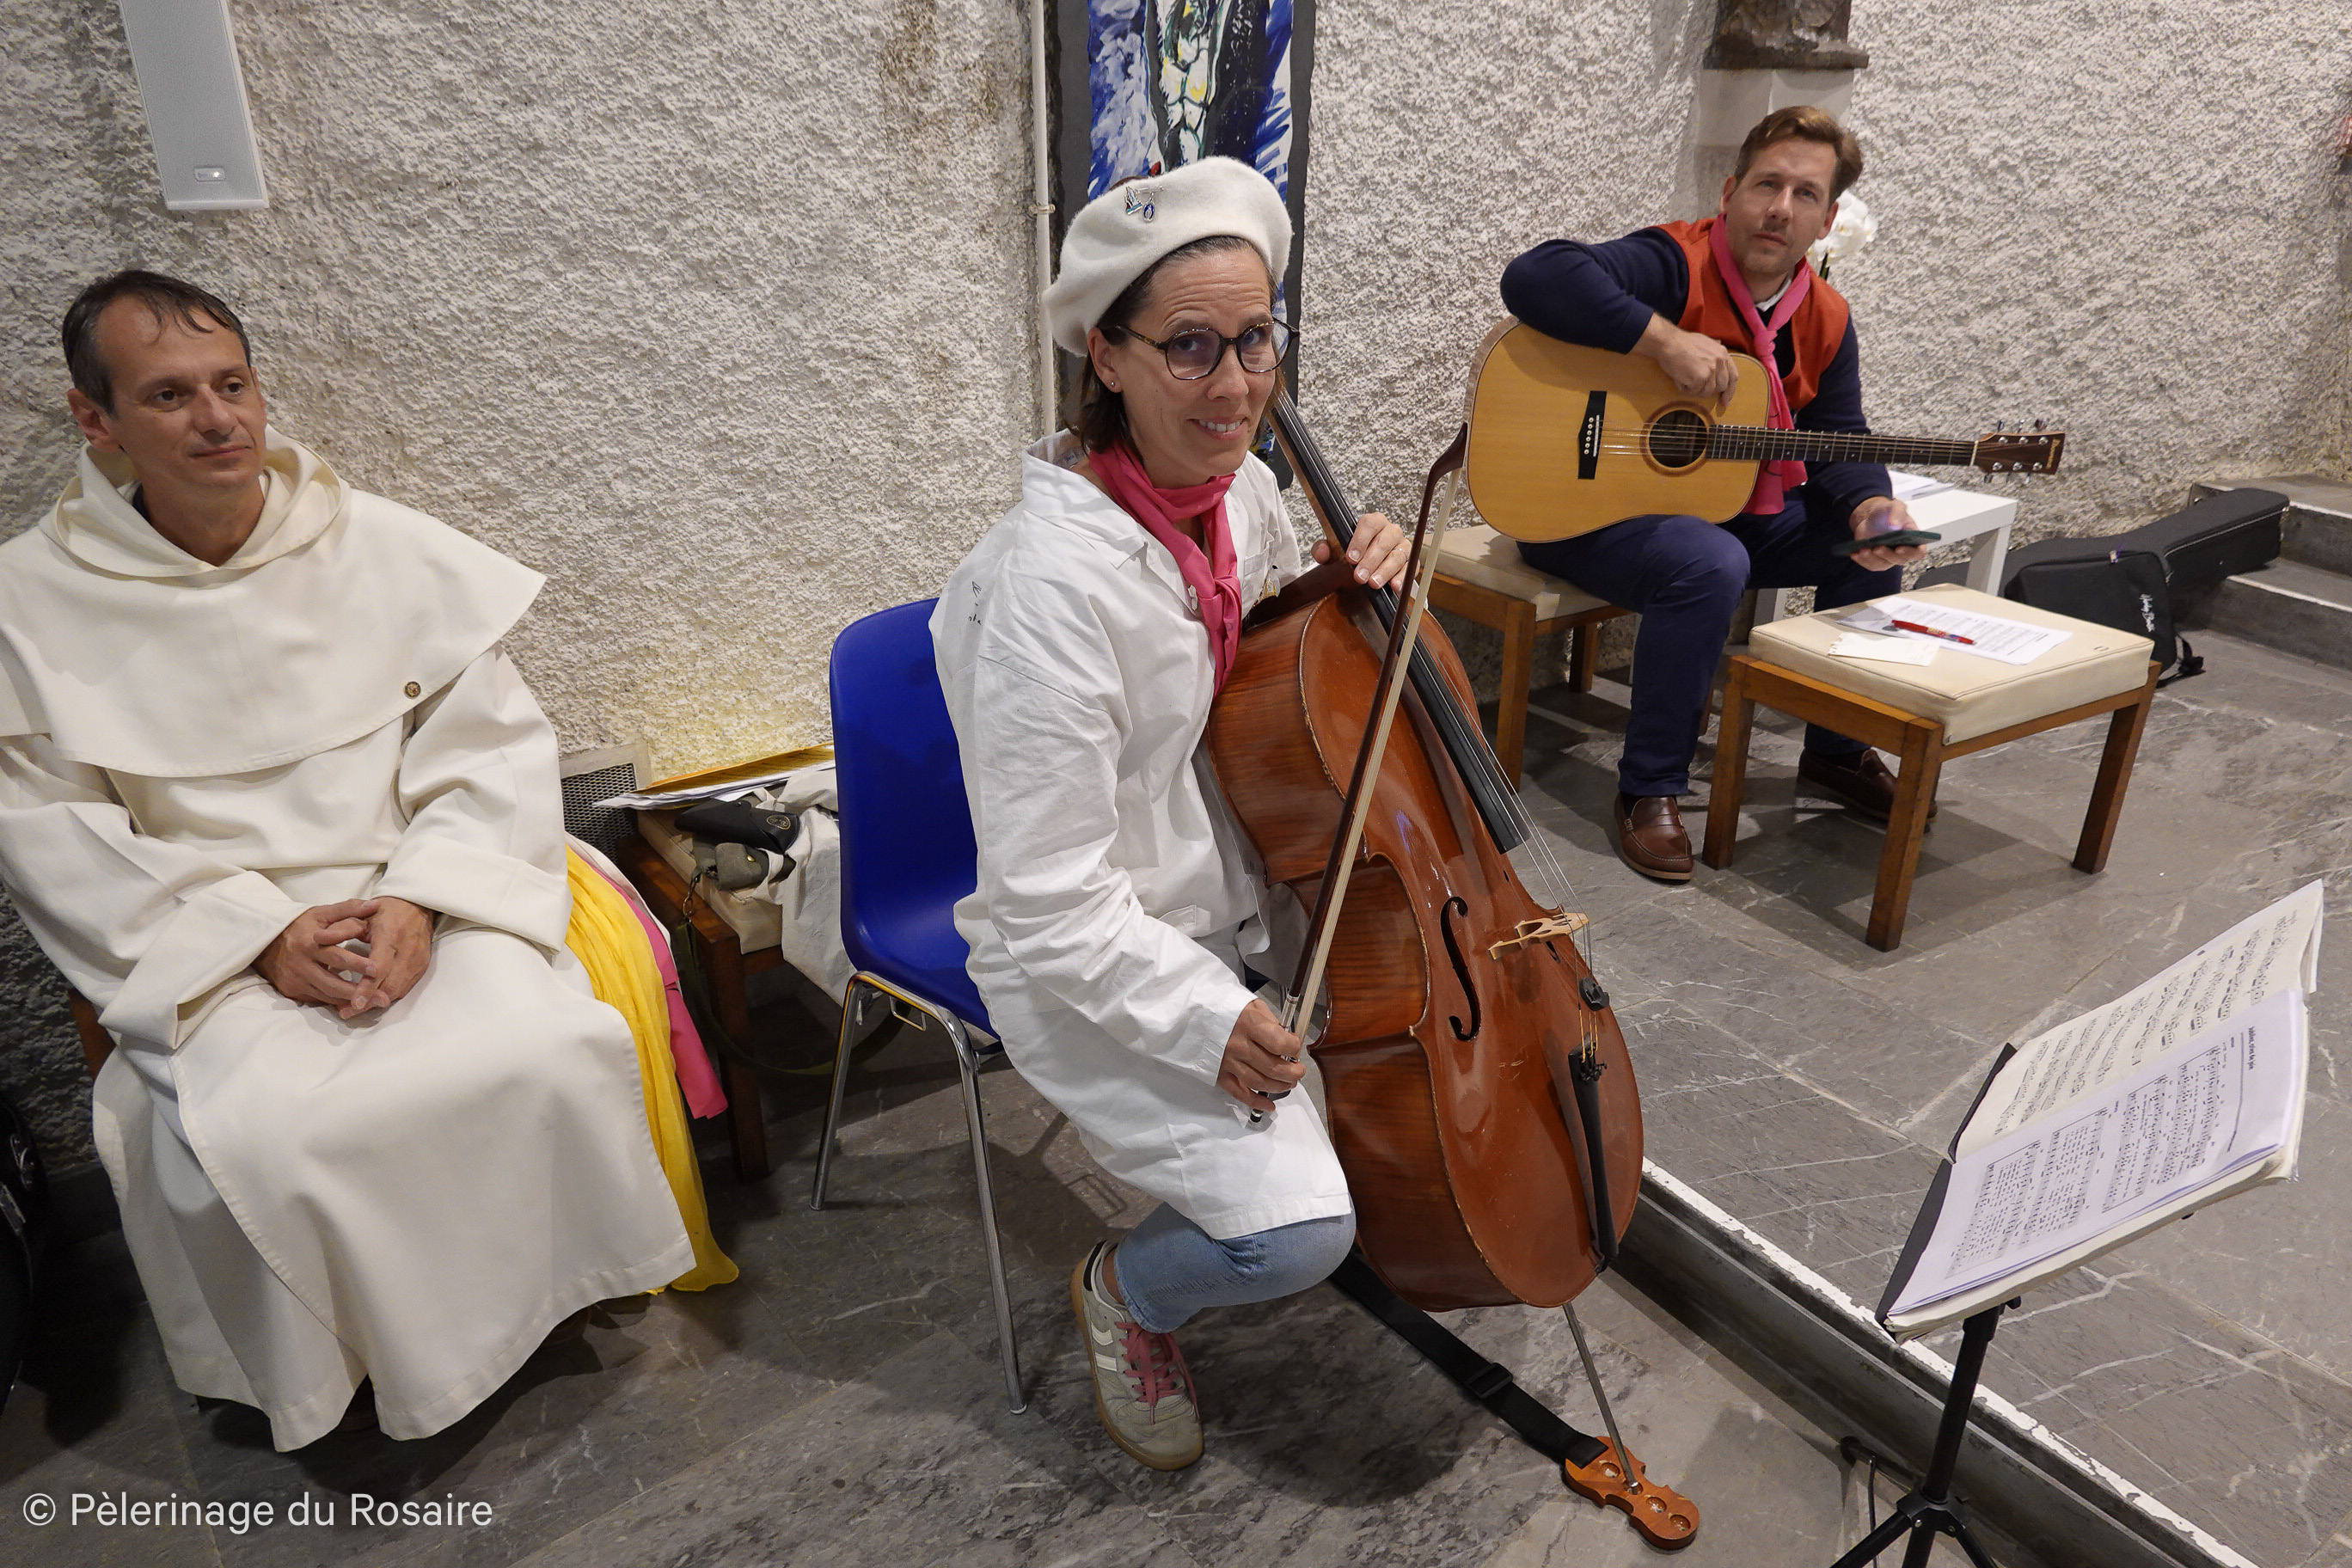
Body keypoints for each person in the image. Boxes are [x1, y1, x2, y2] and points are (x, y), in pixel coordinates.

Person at [0, 271, 694, 1450]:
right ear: (95, 419)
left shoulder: (372, 545)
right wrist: (257, 938)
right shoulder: (32, 604)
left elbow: (490, 746)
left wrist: (424, 897)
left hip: (412, 889)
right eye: (168, 395)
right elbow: (53, 837)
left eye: (232, 384)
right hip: (209, 942)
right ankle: (358, 1368)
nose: (217, 419)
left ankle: (538, 1303)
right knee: (270, 1137)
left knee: (546, 1047)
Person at [932, 158, 1411, 1472]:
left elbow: (1262, 667)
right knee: (1302, 1234)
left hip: (1234, 888)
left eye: (1257, 339)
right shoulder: (1043, 596)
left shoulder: (1235, 493)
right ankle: (1128, 1293)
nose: (1237, 384)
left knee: (1382, 1105)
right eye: (1191, 346)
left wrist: (1350, 577)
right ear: (1108, 354)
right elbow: (1048, 901)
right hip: (1096, 957)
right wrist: (1205, 1022)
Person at [1500, 106, 1932, 881]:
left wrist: (1871, 506)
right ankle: (1649, 788)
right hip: (1577, 509)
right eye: (1767, 185)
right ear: (1730, 193)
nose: (1780, 209)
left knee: (1865, 546)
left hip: (1716, 512)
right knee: (1711, 560)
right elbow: (1534, 276)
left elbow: (1837, 434)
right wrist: (1661, 340)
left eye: (1805, 194)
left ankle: (1835, 751)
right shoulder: (1673, 263)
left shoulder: (1826, 317)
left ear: (1828, 220)